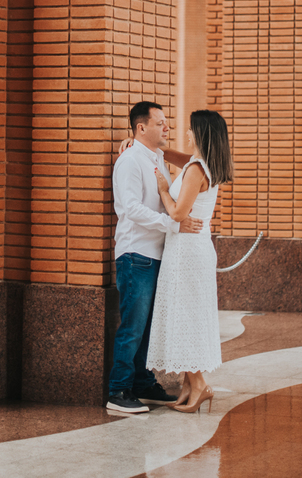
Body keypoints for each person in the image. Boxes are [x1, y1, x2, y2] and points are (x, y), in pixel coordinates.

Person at [107, 101, 202, 414]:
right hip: (136, 255)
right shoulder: (130, 160)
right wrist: (174, 224)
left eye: (166, 122)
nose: (167, 127)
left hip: (157, 253)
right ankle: (118, 390)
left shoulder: (156, 157)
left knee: (149, 326)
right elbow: (131, 209)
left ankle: (143, 383)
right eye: (160, 123)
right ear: (141, 127)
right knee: (133, 326)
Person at [145, 109, 235, 414]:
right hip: (192, 249)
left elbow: (177, 213)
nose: (186, 132)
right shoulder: (202, 163)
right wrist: (150, 145)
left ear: (201, 133)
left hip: (187, 252)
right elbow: (179, 157)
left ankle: (199, 385)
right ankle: (188, 386)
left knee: (184, 316)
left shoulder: (197, 169)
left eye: (191, 128)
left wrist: (162, 189)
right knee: (186, 315)